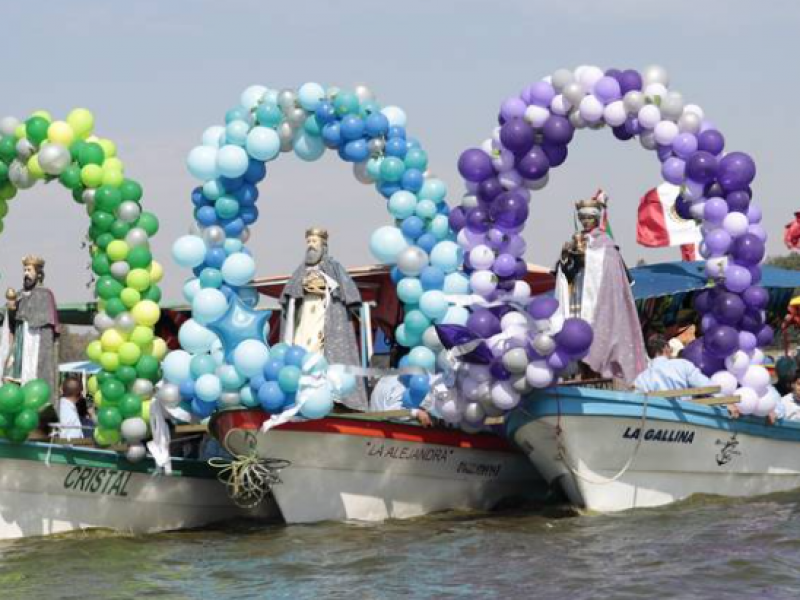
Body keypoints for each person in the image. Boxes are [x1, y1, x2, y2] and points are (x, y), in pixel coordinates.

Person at [554, 190, 647, 383]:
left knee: (601, 341)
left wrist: (587, 255)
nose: (585, 221)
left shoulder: (606, 244)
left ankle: (600, 374)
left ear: (596, 219)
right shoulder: (575, 240)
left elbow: (610, 272)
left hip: (600, 302)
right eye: (582, 218)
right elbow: (565, 272)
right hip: (578, 302)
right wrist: (566, 257)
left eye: (589, 217)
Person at [280, 227, 367, 410]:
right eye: (309, 242)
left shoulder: (334, 267)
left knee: (325, 355)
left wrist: (325, 286)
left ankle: (330, 396)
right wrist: (303, 287)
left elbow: (348, 293)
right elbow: (288, 295)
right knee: (303, 352)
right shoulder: (300, 271)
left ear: (323, 245)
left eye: (314, 242)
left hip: (326, 317)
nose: (311, 246)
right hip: (305, 321)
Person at [0, 255, 60, 401]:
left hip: (34, 343)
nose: (26, 273)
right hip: (19, 342)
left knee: (30, 379)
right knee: (8, 376)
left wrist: (21, 313)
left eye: (29, 270)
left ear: (38, 273)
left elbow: (43, 320)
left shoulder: (45, 294)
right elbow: (11, 321)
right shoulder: (19, 294)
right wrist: (11, 309)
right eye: (24, 270)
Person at [634, 335, 713, 394]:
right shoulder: (683, 365)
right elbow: (708, 387)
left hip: (654, 415)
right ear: (666, 348)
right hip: (683, 413)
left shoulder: (642, 378)